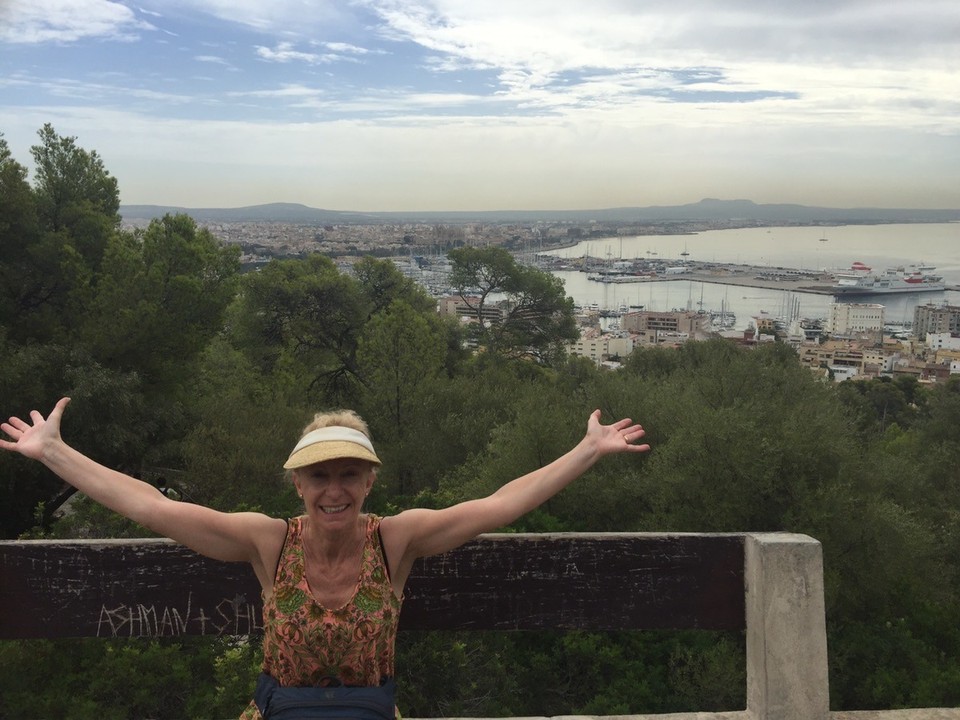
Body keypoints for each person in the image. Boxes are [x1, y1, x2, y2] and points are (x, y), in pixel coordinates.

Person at [0, 397, 650, 719]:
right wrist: (54, 452)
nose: (333, 490)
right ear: (298, 485)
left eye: (348, 475)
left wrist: (587, 450)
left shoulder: (396, 540)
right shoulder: (267, 541)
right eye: (318, 477)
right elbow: (152, 508)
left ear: (369, 482)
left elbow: (500, 503)